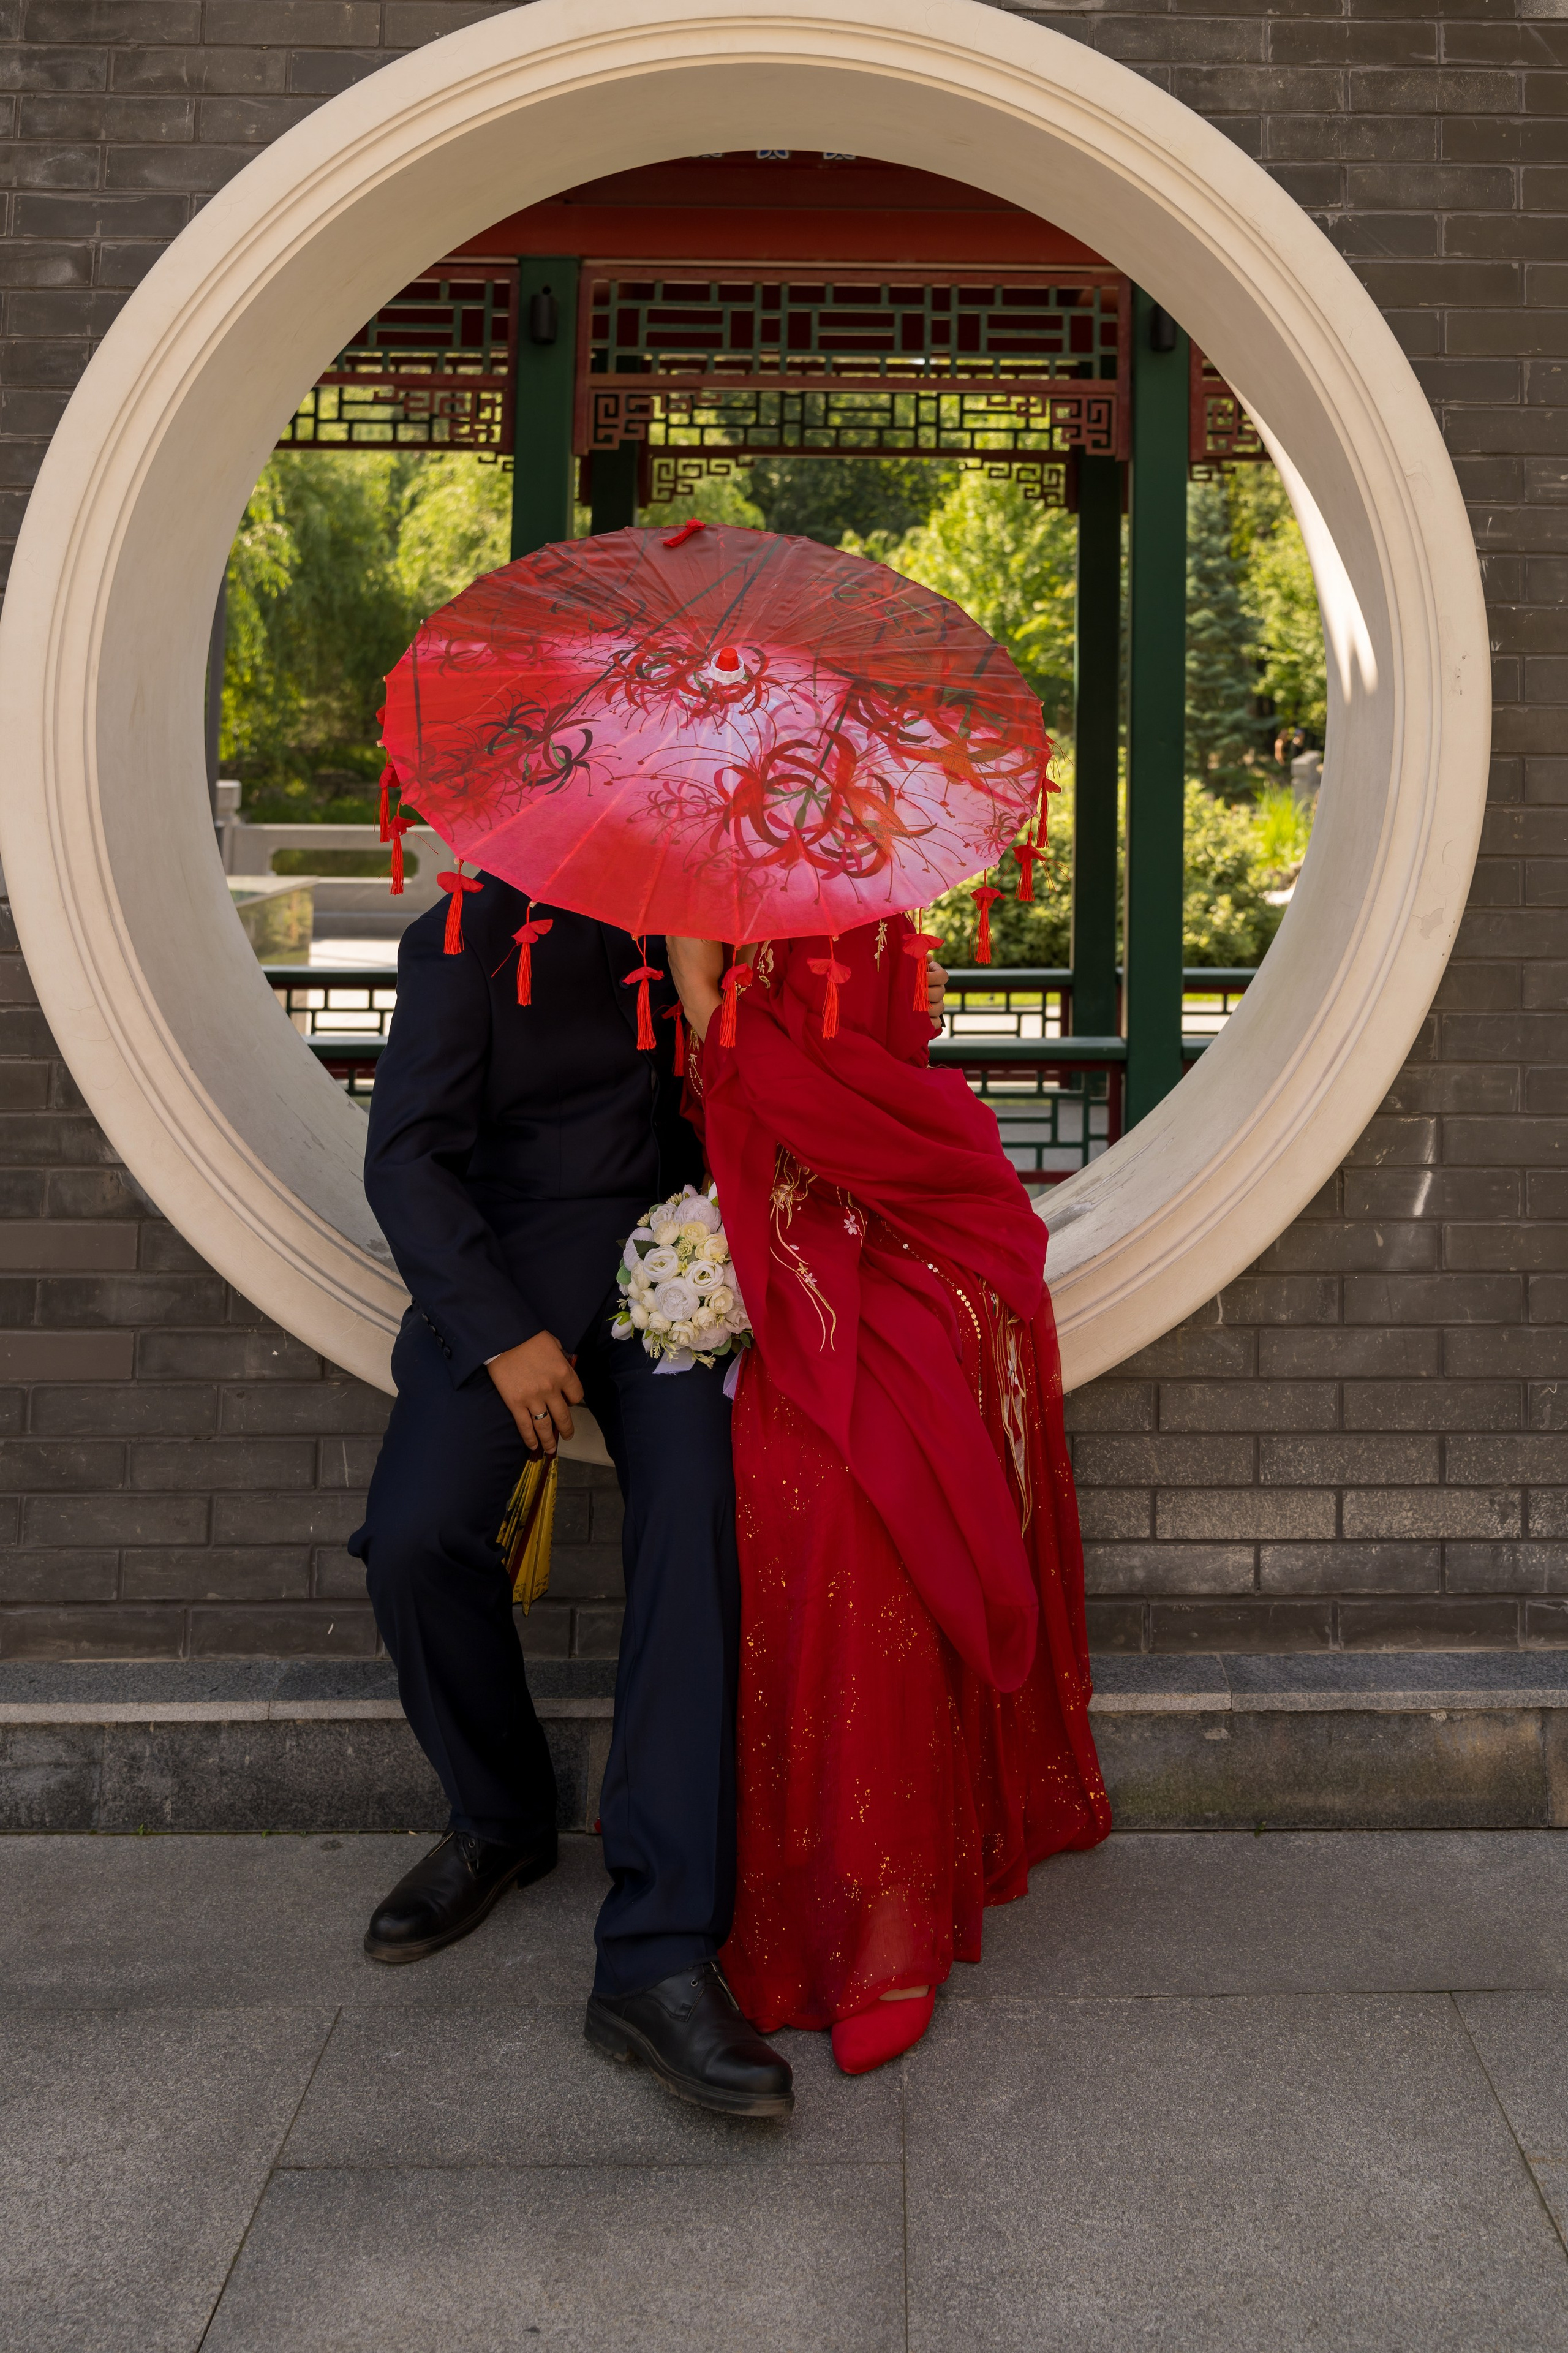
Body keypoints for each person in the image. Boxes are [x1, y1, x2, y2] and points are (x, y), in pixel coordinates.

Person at [349, 875, 794, 2120]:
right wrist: (497, 1334)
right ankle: (499, 1817)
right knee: (415, 1535)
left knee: (700, 1518)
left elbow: (738, 1121)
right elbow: (405, 1160)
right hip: (504, 1289)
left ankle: (656, 1953)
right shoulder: (464, 929)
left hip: (671, 1282)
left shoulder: (701, 916)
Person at [667, 915, 1111, 2075]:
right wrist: (703, 984)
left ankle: (891, 1903)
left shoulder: (886, 861)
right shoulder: (703, 861)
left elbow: (904, 1057)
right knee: (809, 1475)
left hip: (901, 1197)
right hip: (777, 1191)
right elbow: (719, 1047)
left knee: (921, 1403)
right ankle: (813, 1881)